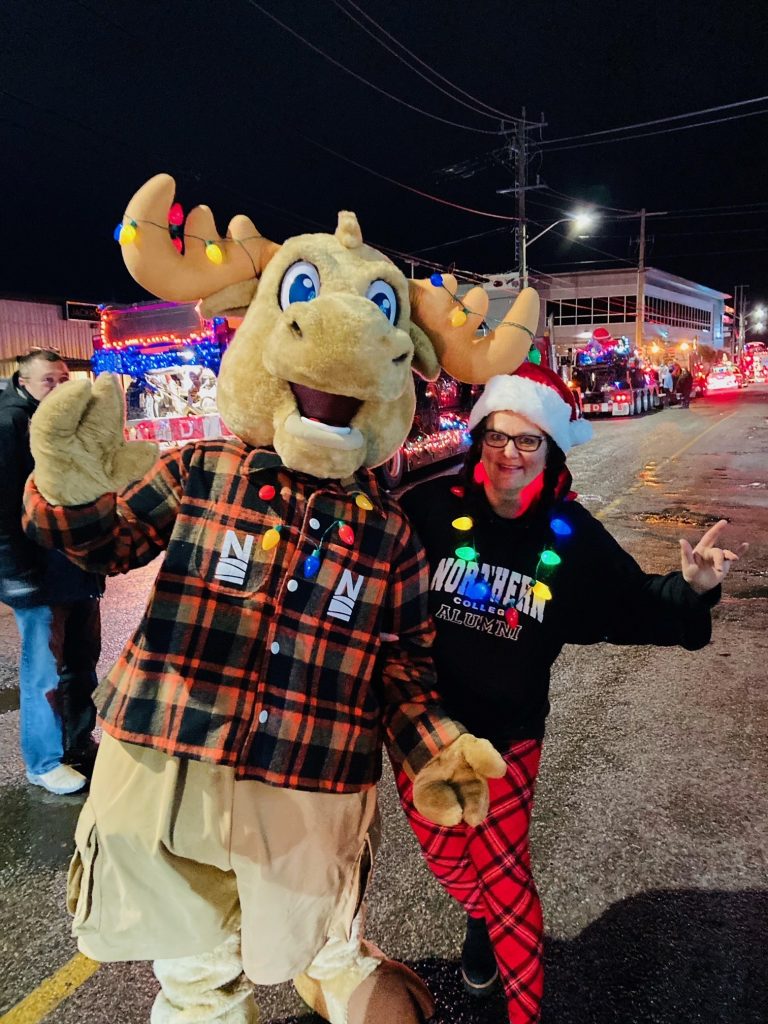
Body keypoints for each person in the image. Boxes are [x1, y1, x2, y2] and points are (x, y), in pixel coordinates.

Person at [398, 363, 748, 1024]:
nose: (509, 453)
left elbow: (632, 601)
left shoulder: (570, 534)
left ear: (551, 448)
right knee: (446, 858)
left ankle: (526, 1011)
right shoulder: (427, 510)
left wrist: (696, 588)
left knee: (507, 885)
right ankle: (475, 917)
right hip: (426, 733)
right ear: (479, 438)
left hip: (510, 739)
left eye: (528, 441)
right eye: (497, 437)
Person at [0, 350, 103, 795]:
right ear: (23, 383)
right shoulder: (10, 425)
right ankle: (43, 761)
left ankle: (77, 742)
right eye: (49, 381)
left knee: (81, 660)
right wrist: (18, 573)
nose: (60, 388)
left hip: (75, 567)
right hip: (37, 572)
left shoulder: (68, 424)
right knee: (43, 666)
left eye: (65, 379)